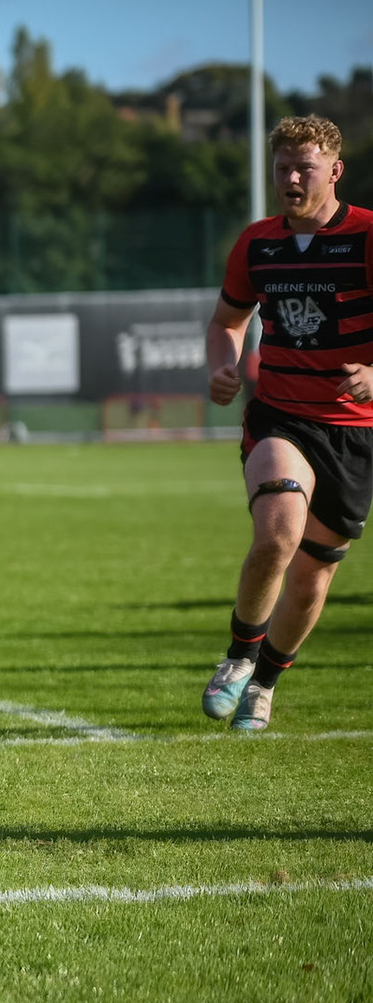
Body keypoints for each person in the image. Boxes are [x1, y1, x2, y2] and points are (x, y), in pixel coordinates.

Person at [202, 114, 372, 731]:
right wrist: (223, 368)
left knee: (312, 574)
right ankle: (239, 656)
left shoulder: (367, 237)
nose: (292, 178)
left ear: (335, 170)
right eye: (282, 168)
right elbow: (227, 322)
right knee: (278, 531)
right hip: (280, 417)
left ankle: (267, 683)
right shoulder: (257, 243)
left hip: (355, 431)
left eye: (304, 167)